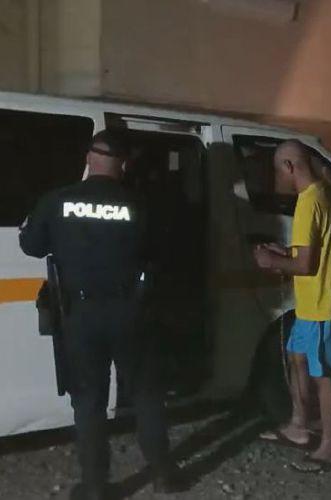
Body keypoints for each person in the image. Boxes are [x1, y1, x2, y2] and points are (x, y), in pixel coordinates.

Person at [19, 130, 183, 499]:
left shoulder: (57, 200)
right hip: (131, 312)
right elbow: (161, 251)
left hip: (79, 315)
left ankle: (95, 487)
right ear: (123, 165)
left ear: (88, 160)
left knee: (89, 402)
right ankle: (164, 475)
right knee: (146, 395)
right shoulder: (140, 204)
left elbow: (31, 245)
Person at [254, 139, 331, 472]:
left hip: (322, 303)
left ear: (290, 166)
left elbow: (306, 265)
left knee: (324, 376)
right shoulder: (325, 193)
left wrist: (271, 261)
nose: (276, 179)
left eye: (277, 171)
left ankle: (330, 447)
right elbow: (315, 252)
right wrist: (285, 253)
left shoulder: (308, 203)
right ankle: (298, 425)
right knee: (296, 357)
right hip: (311, 303)